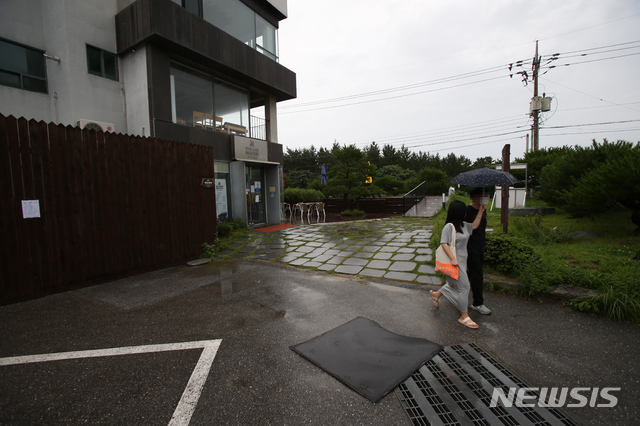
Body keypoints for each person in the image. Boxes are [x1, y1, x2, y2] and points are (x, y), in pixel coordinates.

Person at [430, 200, 486, 329]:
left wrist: (481, 211)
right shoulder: (449, 227)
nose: (466, 213)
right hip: (454, 262)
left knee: (452, 284)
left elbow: (475, 225)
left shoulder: (464, 225)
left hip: (462, 261)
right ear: (459, 212)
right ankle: (464, 316)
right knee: (464, 287)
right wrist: (452, 258)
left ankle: (436, 295)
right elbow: (444, 243)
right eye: (464, 211)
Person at [465, 188, 491, 315]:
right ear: (475, 196)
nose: (486, 197)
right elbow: (472, 227)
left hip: (480, 246)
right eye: (484, 195)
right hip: (471, 248)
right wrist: (480, 212)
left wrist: (481, 211)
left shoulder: (483, 209)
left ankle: (448, 291)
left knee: (469, 275)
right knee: (477, 276)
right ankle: (478, 303)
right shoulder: (468, 211)